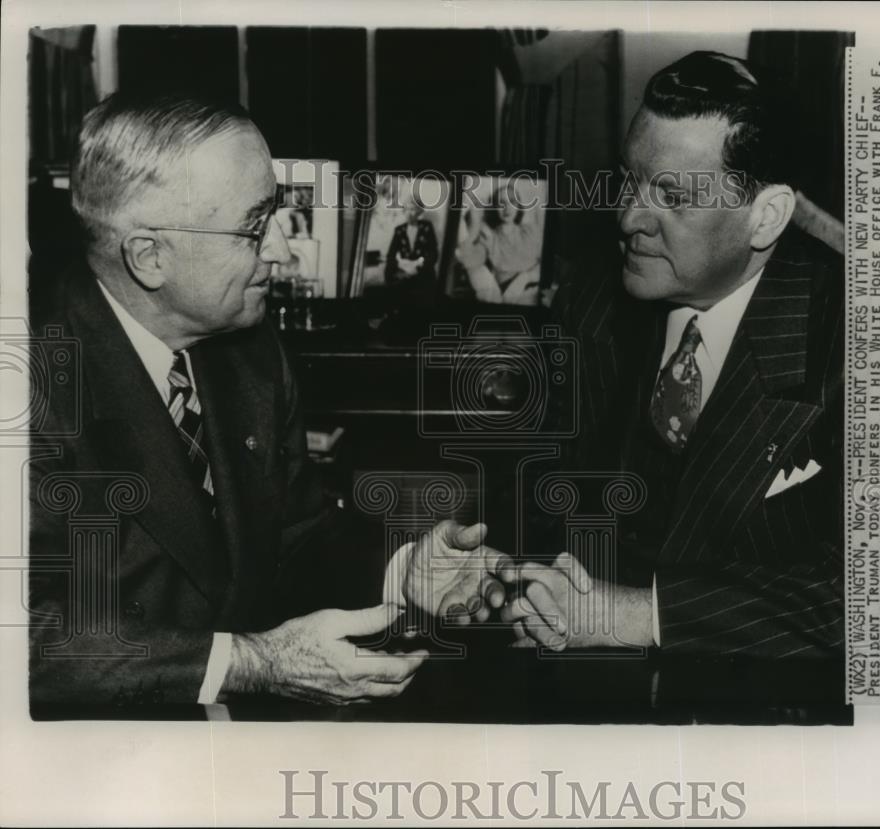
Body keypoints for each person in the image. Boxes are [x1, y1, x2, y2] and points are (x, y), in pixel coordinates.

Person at [27, 92, 514, 710]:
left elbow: (296, 538)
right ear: (150, 257)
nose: (282, 252)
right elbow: (26, 638)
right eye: (254, 228)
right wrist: (254, 663)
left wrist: (402, 571)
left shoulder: (249, 352)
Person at [503, 51, 845, 661]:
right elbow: (537, 496)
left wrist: (634, 616)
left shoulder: (860, 343)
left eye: (672, 198)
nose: (628, 216)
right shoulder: (589, 301)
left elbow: (873, 604)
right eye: (628, 181)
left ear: (765, 217)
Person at [454, 180, 543, 305]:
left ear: (518, 205)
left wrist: (526, 278)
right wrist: (474, 229)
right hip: (513, 300)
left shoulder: (531, 231)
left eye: (512, 201)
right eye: (501, 203)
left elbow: (547, 264)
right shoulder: (490, 238)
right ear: (495, 207)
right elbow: (467, 261)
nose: (507, 208)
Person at [383, 191, 438, 284]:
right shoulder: (399, 230)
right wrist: (400, 265)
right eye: (407, 209)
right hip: (404, 273)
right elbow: (390, 256)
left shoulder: (427, 227)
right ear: (404, 211)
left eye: (413, 209)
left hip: (423, 273)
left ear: (419, 211)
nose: (409, 213)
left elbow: (434, 254)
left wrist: (418, 267)